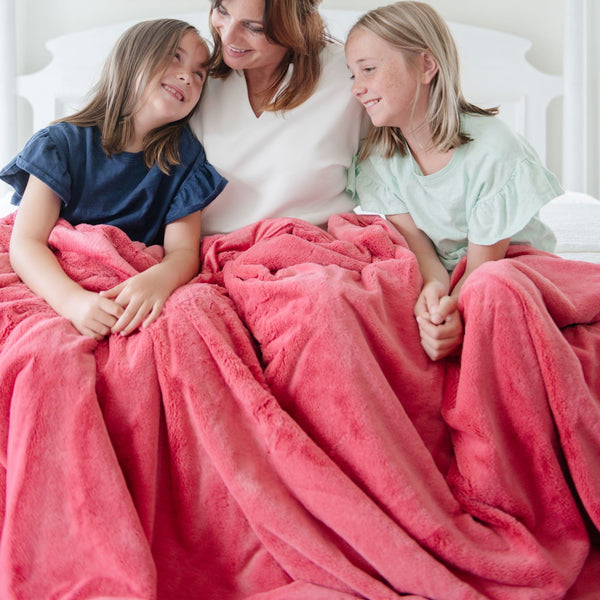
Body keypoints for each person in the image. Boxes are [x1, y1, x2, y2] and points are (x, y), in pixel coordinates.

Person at [345, 1, 563, 360]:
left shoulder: (492, 150)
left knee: (492, 291)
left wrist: (453, 308)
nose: (357, 88)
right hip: (448, 267)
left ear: (426, 65)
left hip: (509, 262)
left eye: (368, 69)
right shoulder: (379, 159)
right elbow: (421, 249)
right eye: (353, 75)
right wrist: (434, 295)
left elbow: (484, 266)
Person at [0, 18, 226, 340]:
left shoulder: (185, 161)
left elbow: (183, 253)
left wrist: (158, 281)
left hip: (131, 287)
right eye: (175, 56)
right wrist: (72, 302)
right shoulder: (61, 144)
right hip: (58, 282)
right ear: (132, 58)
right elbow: (26, 243)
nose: (187, 77)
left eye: (200, 74)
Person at [191, 0, 365, 235]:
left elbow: (398, 176)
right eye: (222, 11)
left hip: (317, 252)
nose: (229, 36)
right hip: (212, 254)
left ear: (299, 25)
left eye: (254, 27)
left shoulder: (350, 75)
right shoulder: (192, 79)